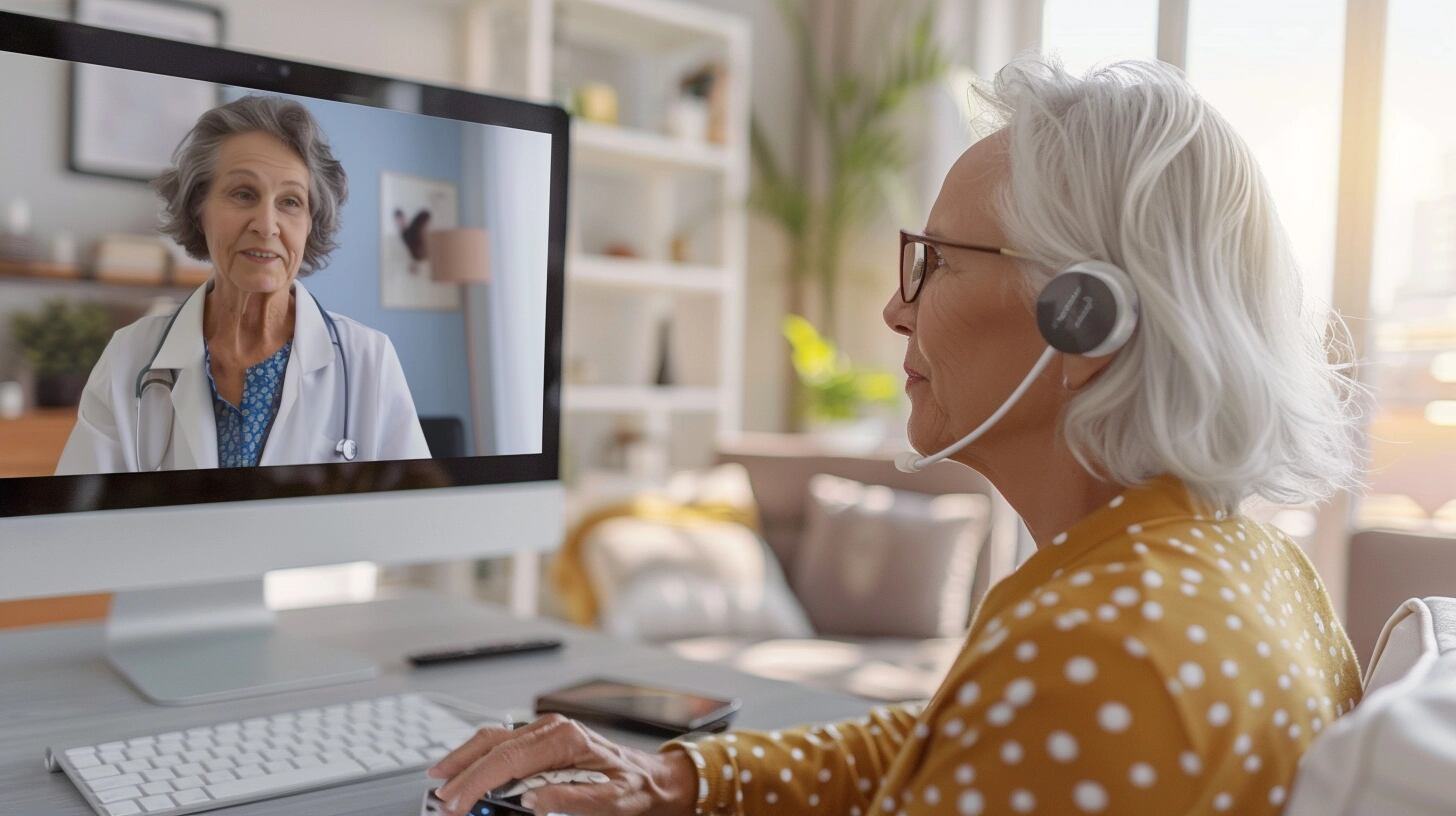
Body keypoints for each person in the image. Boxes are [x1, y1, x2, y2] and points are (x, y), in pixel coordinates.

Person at [426, 57, 1366, 816]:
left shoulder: (1093, 655)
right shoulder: (1261, 571)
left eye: (935, 265)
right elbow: (937, 743)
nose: (893, 308)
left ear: (1085, 320)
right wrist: (679, 778)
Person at [56, 95, 430, 473]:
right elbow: (75, 519)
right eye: (243, 194)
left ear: (310, 224)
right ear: (198, 209)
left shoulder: (369, 359)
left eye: (290, 202)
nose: (266, 225)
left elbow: (415, 518)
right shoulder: (128, 357)